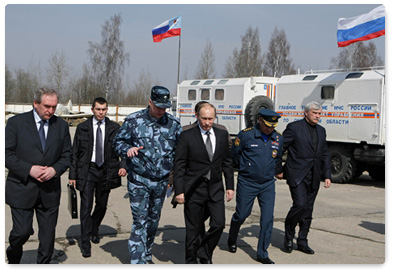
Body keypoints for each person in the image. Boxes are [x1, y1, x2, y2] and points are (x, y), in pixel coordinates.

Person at [113, 86, 182, 264]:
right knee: (140, 221)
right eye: (158, 106)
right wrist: (127, 149)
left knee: (153, 221)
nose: (161, 111)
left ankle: (146, 253)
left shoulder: (173, 124)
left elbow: (179, 153)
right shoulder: (133, 120)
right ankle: (138, 261)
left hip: (161, 182)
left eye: (164, 107)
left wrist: (173, 179)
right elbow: (117, 142)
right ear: (150, 102)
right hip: (139, 180)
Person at [5, 88, 71, 264]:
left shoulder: (62, 126)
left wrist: (54, 170)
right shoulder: (15, 123)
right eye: (46, 106)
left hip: (49, 192)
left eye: (54, 107)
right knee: (22, 232)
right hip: (21, 188)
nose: (50, 110)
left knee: (48, 237)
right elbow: (6, 154)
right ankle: (13, 255)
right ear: (35, 104)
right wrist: (29, 169)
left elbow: (67, 156)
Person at [173, 103, 234, 264]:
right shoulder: (187, 135)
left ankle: (205, 253)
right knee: (193, 230)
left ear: (215, 117)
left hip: (215, 188)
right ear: (197, 117)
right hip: (194, 189)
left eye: (210, 119)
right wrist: (179, 191)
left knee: (219, 224)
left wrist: (230, 186)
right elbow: (179, 164)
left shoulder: (221, 134)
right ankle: (191, 261)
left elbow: (227, 162)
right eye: (204, 118)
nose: (207, 122)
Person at [69, 97, 127, 258]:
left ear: (107, 110)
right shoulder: (83, 128)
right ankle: (85, 241)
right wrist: (72, 174)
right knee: (86, 206)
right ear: (92, 109)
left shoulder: (115, 128)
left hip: (106, 171)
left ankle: (94, 228)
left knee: (101, 205)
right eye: (98, 109)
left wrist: (123, 166)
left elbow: (123, 149)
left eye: (104, 109)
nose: (101, 112)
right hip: (88, 170)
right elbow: (75, 153)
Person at [227, 109, 283, 264]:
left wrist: (277, 172)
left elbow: (278, 158)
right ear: (259, 120)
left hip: (267, 184)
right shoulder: (246, 135)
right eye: (267, 125)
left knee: (267, 219)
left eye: (273, 125)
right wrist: (247, 168)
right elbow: (234, 155)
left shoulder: (278, 137)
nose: (270, 128)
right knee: (242, 214)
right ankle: (232, 236)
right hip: (247, 182)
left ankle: (262, 253)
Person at [279, 101, 331, 255]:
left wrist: (327, 175)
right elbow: (281, 148)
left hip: (314, 175)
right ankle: (288, 236)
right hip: (297, 174)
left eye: (320, 113)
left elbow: (325, 153)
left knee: (308, 210)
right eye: (315, 113)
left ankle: (302, 241)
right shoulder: (294, 128)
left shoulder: (321, 131)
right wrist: (279, 169)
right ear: (306, 113)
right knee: (300, 205)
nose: (318, 116)